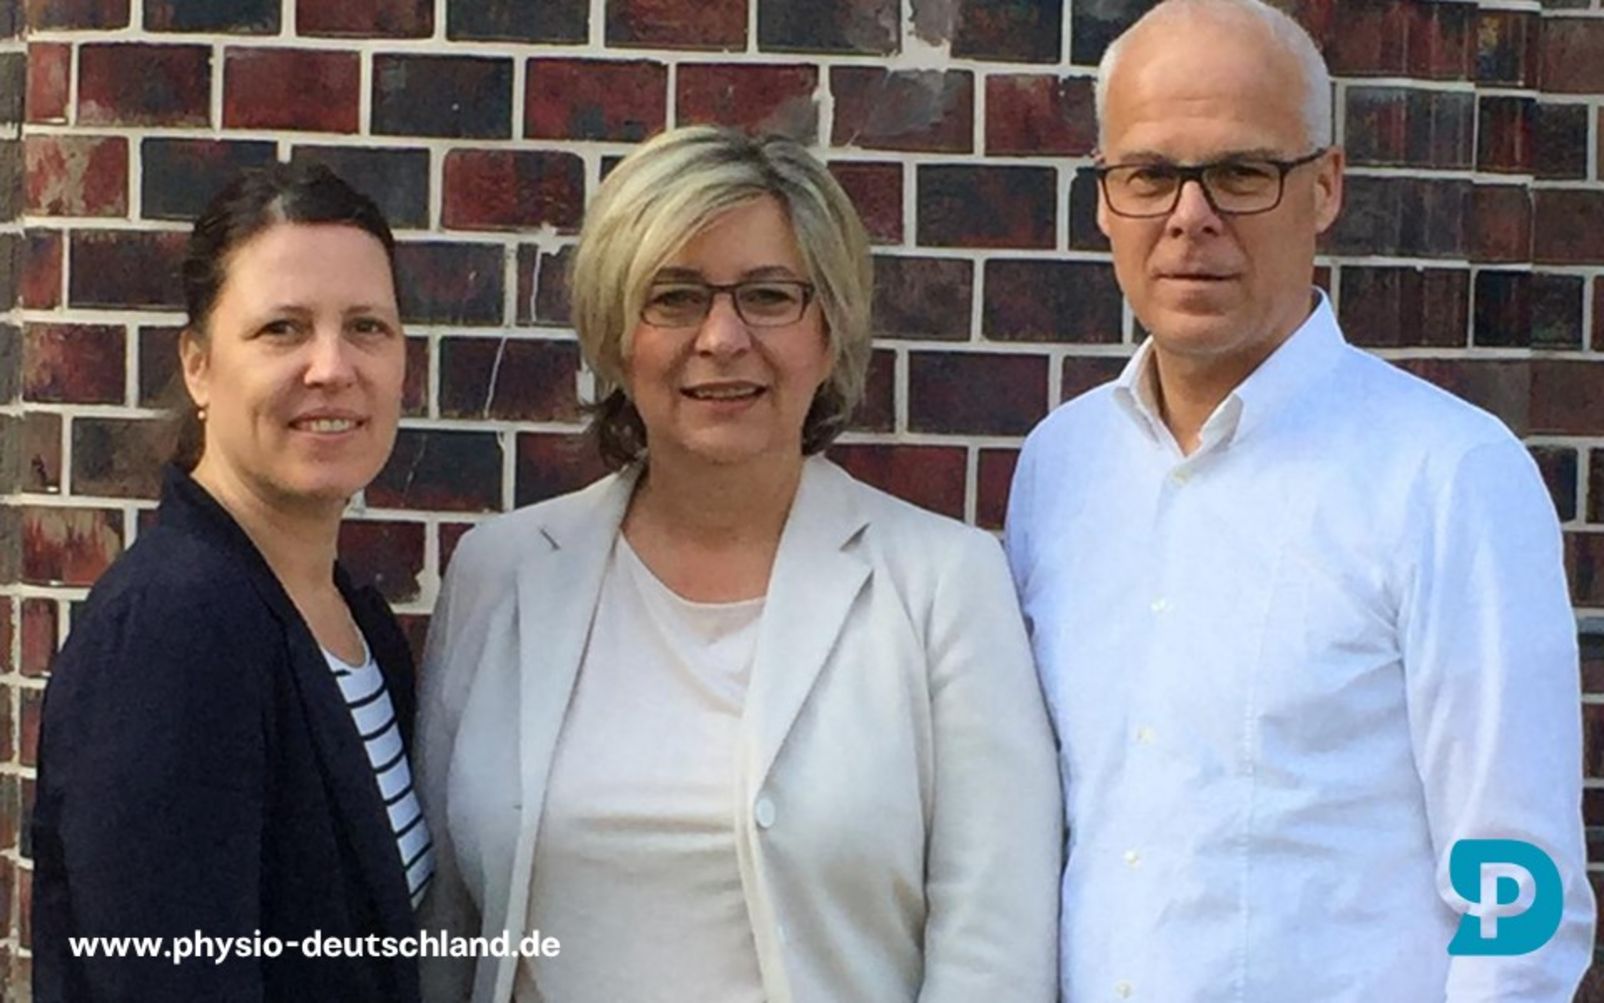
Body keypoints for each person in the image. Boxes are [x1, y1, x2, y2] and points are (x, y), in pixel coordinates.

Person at [1006, 1, 1595, 999]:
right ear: (1103, 199)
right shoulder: (1060, 467)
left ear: (1323, 187)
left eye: (1241, 172)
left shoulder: (1448, 476)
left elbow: (1522, 888)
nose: (1190, 216)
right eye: (1148, 175)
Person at [415, 124, 1061, 1003]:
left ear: (829, 330)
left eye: (767, 295)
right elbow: (445, 931)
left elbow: (995, 953)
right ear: (615, 335)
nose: (722, 337)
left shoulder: (943, 585)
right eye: (675, 297)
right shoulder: (502, 574)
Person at [31, 163, 432, 1003]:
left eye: (367, 326)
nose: (332, 366)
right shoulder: (172, 629)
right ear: (199, 366)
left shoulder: (355, 621)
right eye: (283, 329)